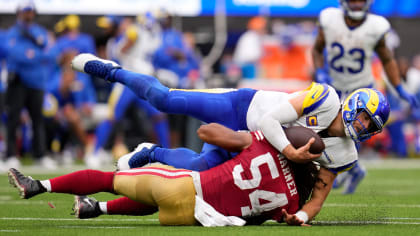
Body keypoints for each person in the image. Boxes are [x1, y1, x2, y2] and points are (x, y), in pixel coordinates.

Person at [71, 53, 390, 225]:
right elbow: (269, 120)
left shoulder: (345, 154)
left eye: (369, 125)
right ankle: (112, 71)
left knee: (198, 169)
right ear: (352, 105)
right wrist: (292, 151)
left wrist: (301, 216)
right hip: (243, 108)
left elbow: (318, 197)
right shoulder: (326, 98)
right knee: (166, 100)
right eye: (362, 116)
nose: (361, 125)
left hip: (255, 148)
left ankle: (152, 152)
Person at [8, 123, 319, 226]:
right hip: (197, 218)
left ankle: (38, 185)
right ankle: (96, 208)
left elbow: (206, 132)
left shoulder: (264, 146)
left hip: (185, 186)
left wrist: (250, 135)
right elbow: (256, 218)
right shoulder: (290, 204)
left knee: (110, 180)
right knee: (157, 201)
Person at [311, 0, 418, 194]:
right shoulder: (329, 19)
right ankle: (354, 169)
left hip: (361, 89)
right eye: (353, 0)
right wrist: (319, 71)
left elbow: (387, 59)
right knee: (325, 130)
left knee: (353, 132)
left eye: (361, 0)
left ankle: (346, 168)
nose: (357, 4)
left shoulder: (376, 26)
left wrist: (400, 89)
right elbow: (317, 49)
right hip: (334, 86)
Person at [85, 15, 170, 168]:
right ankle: (94, 153)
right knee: (112, 117)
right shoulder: (116, 41)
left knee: (158, 116)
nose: (105, 29)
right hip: (126, 84)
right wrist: (131, 33)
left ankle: (168, 154)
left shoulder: (143, 33)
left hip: (143, 82)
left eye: (108, 26)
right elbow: (124, 49)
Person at [4, 0, 56, 170]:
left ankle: (40, 155)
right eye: (25, 11)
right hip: (18, 82)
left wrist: (31, 55)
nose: (28, 14)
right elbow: (14, 53)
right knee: (13, 119)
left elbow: (50, 54)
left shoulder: (39, 31)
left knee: (38, 120)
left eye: (30, 11)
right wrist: (35, 56)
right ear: (19, 12)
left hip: (36, 82)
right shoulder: (12, 32)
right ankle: (11, 155)